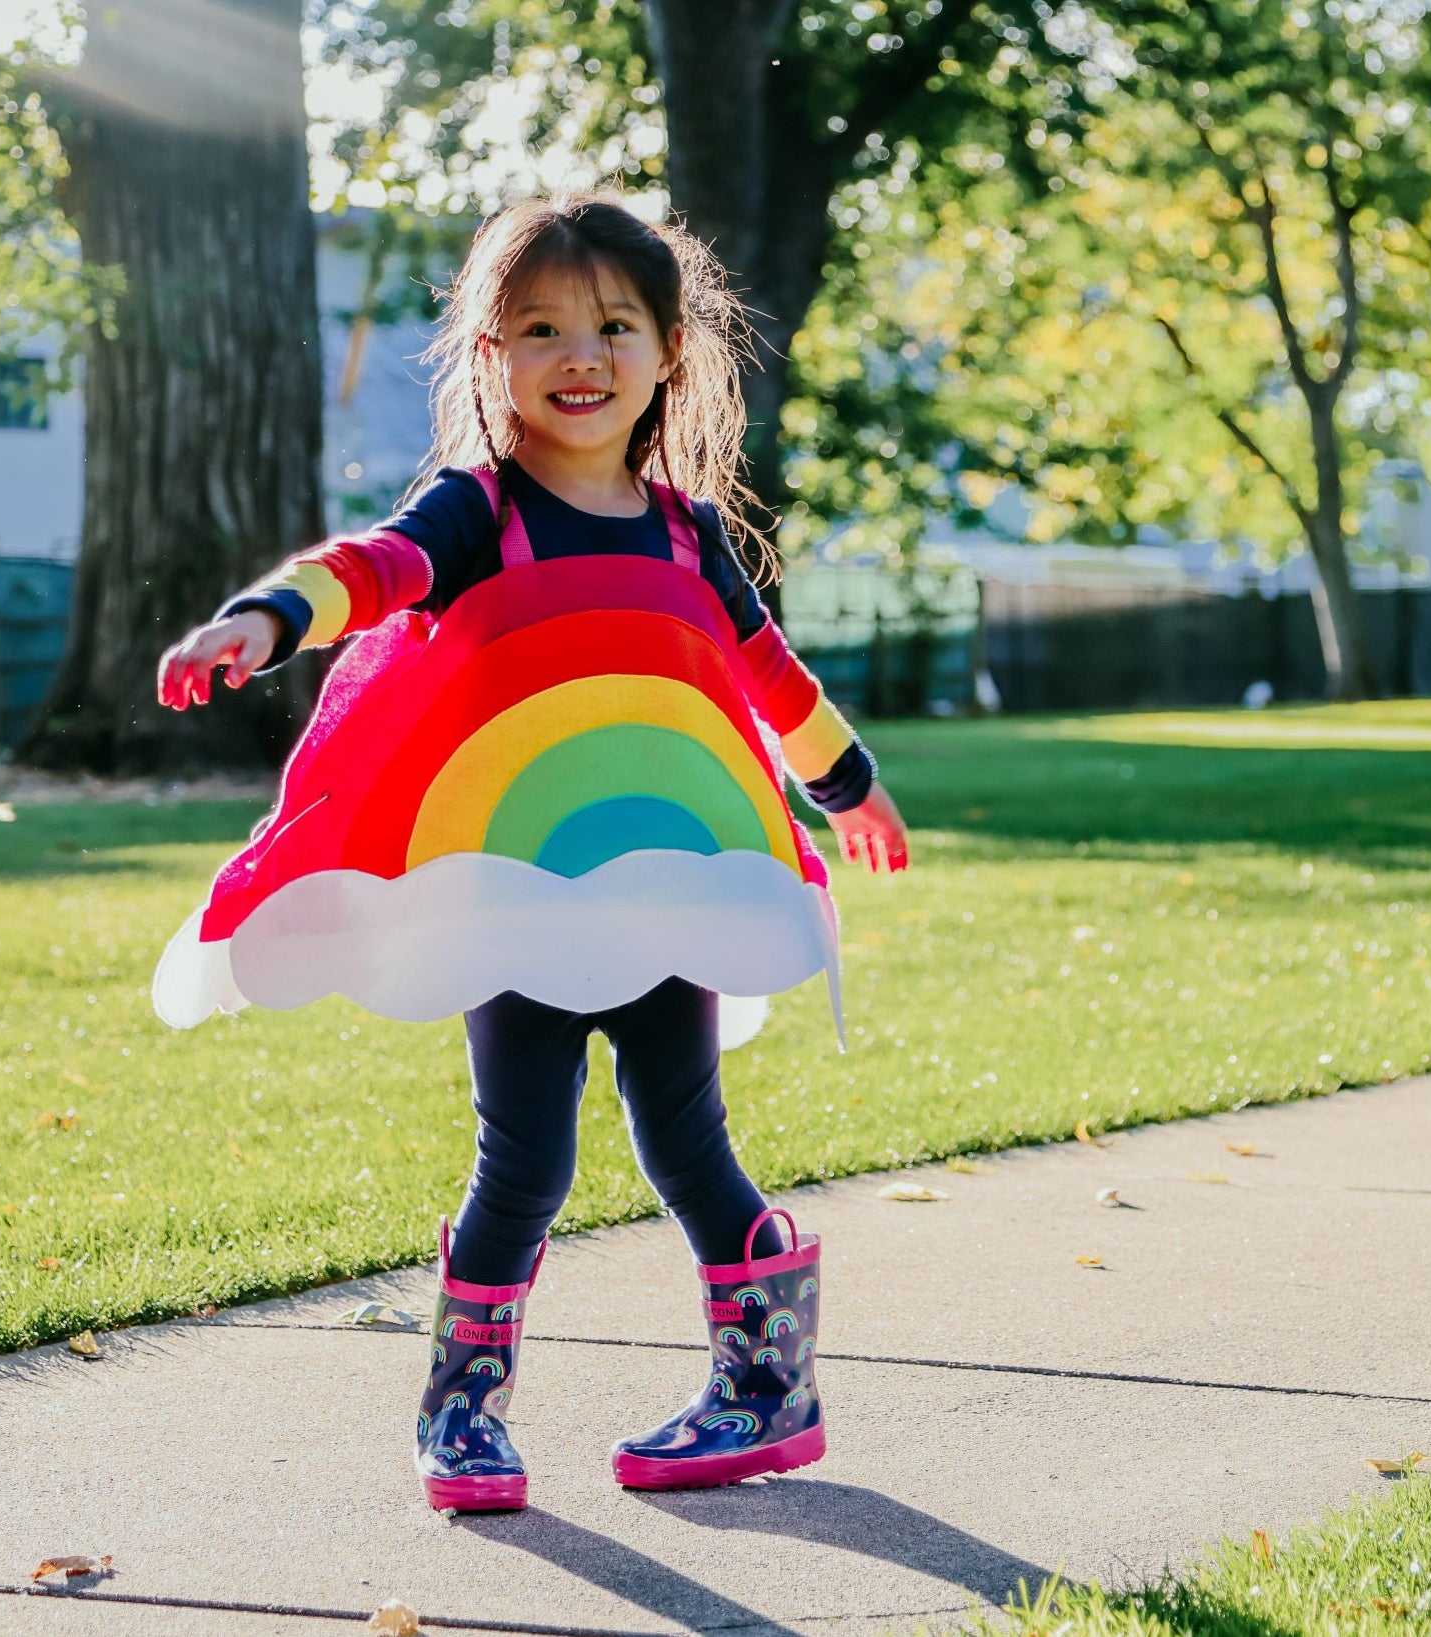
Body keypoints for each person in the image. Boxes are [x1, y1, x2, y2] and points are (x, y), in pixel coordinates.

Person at [154, 196, 909, 1513]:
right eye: (543, 325)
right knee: (527, 1156)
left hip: (673, 891)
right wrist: (267, 616)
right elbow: (372, 568)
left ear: (671, 351)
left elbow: (762, 671)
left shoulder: (686, 531)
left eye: (616, 325)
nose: (583, 352)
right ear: (490, 355)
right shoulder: (478, 512)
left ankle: (769, 1386)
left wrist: (846, 783)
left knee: (689, 1142)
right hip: (517, 901)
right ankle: (465, 1412)